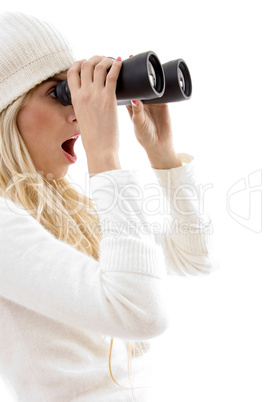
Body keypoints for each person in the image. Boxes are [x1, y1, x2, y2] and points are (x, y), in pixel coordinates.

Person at [0, 11, 216, 402]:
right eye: (59, 93)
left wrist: (162, 155)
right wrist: (104, 156)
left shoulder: (58, 207)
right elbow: (142, 312)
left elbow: (195, 257)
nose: (79, 111)